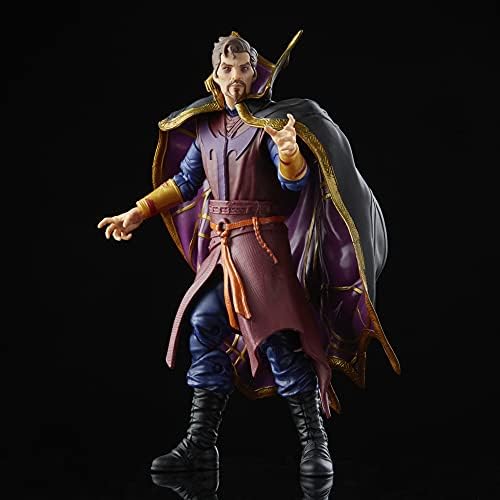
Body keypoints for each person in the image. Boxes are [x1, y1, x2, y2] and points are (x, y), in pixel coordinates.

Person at [98, 31, 400, 478]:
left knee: (278, 340)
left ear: (255, 74)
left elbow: (293, 183)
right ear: (215, 77)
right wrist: (138, 212)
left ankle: (315, 445)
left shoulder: (269, 126)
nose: (236, 75)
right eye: (228, 68)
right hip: (221, 249)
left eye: (244, 67)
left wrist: (290, 152)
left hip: (262, 249)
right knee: (204, 324)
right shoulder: (205, 130)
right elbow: (184, 183)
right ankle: (200, 445)